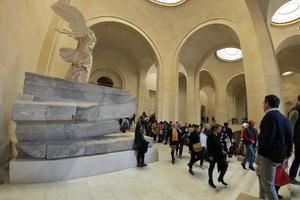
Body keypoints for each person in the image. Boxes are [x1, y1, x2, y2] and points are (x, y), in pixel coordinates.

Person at [255, 95, 293, 200]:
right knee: (259, 172)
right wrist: (287, 156)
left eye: (263, 103)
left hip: (269, 156)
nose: (263, 105)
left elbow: (267, 139)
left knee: (268, 185)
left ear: (267, 103)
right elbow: (290, 138)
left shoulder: (269, 116)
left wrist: (259, 154)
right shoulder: (284, 117)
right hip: (280, 156)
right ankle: (262, 197)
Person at [207, 124, 228, 188]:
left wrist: (222, 150)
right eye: (219, 129)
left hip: (219, 154)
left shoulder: (218, 134)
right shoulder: (210, 135)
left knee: (225, 165)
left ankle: (220, 178)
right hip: (212, 154)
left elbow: (219, 143)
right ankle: (210, 180)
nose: (220, 130)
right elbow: (209, 146)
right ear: (215, 129)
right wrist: (210, 155)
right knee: (211, 168)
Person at [288, 94, 300, 184]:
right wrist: (290, 142)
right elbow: (290, 127)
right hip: (297, 139)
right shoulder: (295, 111)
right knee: (298, 158)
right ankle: (291, 177)